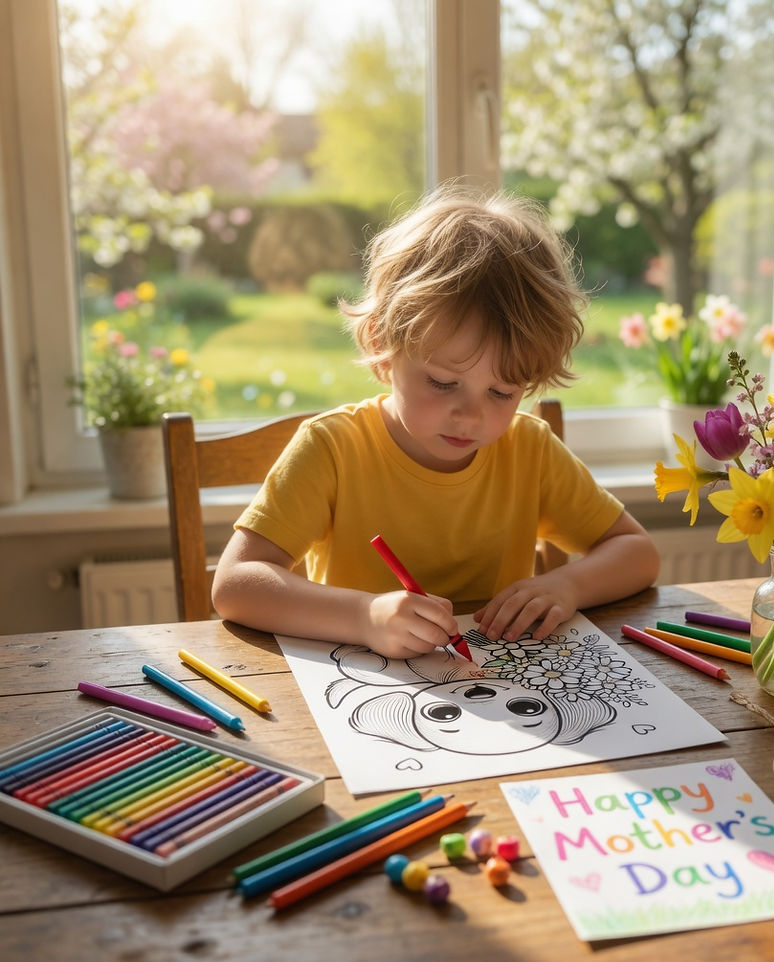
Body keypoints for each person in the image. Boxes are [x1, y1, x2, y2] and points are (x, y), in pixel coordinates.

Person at [212, 185, 660, 659]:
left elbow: (637, 553)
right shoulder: (333, 450)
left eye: (502, 392)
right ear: (383, 341)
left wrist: (567, 586)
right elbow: (236, 585)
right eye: (444, 383)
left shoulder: (530, 449)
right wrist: (363, 617)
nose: (471, 415)